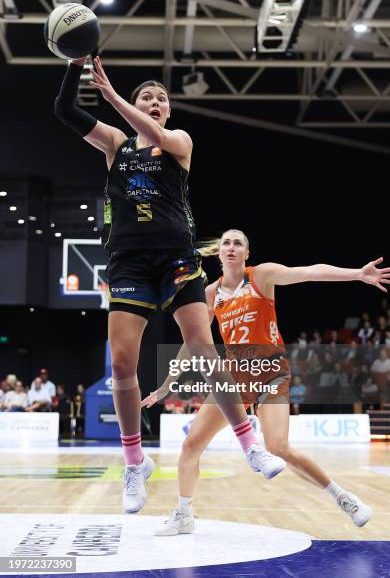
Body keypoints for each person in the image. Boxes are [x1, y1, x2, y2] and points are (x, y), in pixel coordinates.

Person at [54, 58, 281, 513]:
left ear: (168, 111)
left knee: (201, 345)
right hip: (130, 263)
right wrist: (74, 64)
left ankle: (249, 442)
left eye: (161, 99)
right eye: (147, 97)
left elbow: (156, 136)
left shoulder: (179, 141)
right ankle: (135, 463)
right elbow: (64, 109)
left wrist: (114, 96)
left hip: (177, 257)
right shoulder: (116, 144)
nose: (154, 103)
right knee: (121, 364)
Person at [143, 229, 390, 535]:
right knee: (191, 444)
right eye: (227, 242)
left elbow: (310, 272)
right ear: (219, 252)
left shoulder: (261, 276)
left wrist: (358, 273)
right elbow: (192, 341)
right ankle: (183, 513)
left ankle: (343, 497)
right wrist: (168, 382)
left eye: (239, 243)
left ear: (246, 253)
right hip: (234, 379)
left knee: (278, 447)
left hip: (271, 372)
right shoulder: (210, 293)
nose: (232, 247)